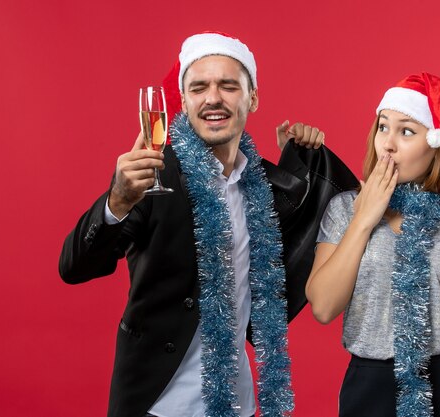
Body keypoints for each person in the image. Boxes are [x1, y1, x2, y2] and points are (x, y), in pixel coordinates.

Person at [59, 32, 357, 417]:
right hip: (158, 404)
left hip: (239, 404)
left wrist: (300, 152)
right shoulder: (153, 174)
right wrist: (116, 200)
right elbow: (73, 267)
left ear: (252, 98)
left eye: (228, 86)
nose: (213, 97)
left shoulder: (262, 187)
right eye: (199, 87)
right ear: (183, 102)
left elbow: (331, 208)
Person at [305, 72, 440, 417]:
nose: (388, 143)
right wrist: (363, 221)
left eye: (406, 131)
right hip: (369, 389)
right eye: (383, 127)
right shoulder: (345, 209)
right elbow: (324, 307)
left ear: (437, 145)